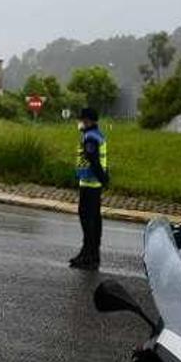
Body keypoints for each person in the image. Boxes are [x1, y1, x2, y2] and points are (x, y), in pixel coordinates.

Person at [70, 107, 109, 271]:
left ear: (89, 121)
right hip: (92, 184)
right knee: (94, 219)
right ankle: (90, 254)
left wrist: (103, 179)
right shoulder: (96, 135)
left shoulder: (90, 138)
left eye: (83, 120)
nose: (80, 123)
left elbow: (94, 161)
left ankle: (89, 255)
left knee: (88, 220)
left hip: (90, 184)